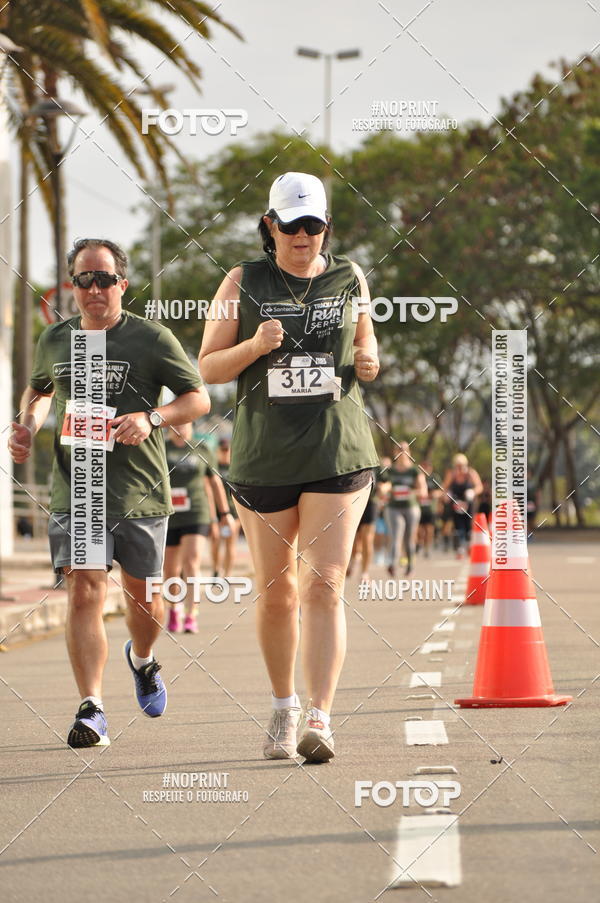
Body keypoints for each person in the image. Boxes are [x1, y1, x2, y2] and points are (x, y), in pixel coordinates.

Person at [198, 172, 379, 763]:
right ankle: (284, 706)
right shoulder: (240, 281)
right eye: (292, 225)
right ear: (269, 225)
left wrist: (370, 359)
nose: (304, 236)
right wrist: (255, 346)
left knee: (324, 583)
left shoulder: (349, 277)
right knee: (277, 593)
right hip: (265, 459)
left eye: (315, 225)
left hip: (337, 451)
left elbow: (365, 342)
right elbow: (208, 368)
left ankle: (321, 719)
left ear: (327, 226)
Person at [8, 238, 209, 748]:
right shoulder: (55, 339)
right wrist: (27, 424)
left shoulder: (151, 339)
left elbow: (197, 398)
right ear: (72, 286)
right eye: (83, 280)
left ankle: (142, 659)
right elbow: (40, 390)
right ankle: (92, 707)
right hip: (78, 491)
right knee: (85, 590)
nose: (94, 289)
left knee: (143, 607)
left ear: (122, 283)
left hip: (139, 492)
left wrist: (151, 418)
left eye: (103, 279)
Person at [164, 425, 233, 633]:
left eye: (185, 422)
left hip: (196, 512)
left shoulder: (201, 449)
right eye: (176, 422)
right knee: (170, 569)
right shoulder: (162, 447)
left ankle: (191, 613)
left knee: (191, 561)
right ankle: (173, 609)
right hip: (169, 514)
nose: (180, 426)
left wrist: (224, 514)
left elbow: (215, 484)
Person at [378, 442, 427, 577]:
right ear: (395, 453)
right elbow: (386, 485)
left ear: (409, 452)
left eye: (404, 450)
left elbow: (423, 491)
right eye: (399, 450)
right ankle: (392, 564)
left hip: (411, 507)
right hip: (394, 508)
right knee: (396, 534)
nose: (401, 452)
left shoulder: (414, 471)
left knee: (409, 538)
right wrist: (385, 489)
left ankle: (410, 565)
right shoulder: (390, 470)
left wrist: (408, 492)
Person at [211, 438, 242, 578]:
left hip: (234, 512)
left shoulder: (236, 467)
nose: (224, 452)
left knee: (230, 543)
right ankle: (216, 569)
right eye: (222, 450)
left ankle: (227, 575)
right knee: (216, 541)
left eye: (227, 449)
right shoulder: (214, 467)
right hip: (217, 511)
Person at [442, 453, 483, 557]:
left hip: (469, 504)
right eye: (457, 466)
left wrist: (473, 492)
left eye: (461, 466)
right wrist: (446, 494)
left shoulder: (471, 473)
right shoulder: (451, 474)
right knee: (457, 526)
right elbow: (444, 487)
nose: (459, 469)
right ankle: (459, 548)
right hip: (456, 504)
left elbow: (479, 487)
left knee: (469, 525)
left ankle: (470, 546)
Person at [417, 460, 441, 558]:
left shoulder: (435, 478)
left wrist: (435, 494)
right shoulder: (418, 477)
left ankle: (427, 548)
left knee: (429, 529)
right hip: (420, 507)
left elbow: (441, 490)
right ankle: (419, 543)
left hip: (431, 508)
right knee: (419, 530)